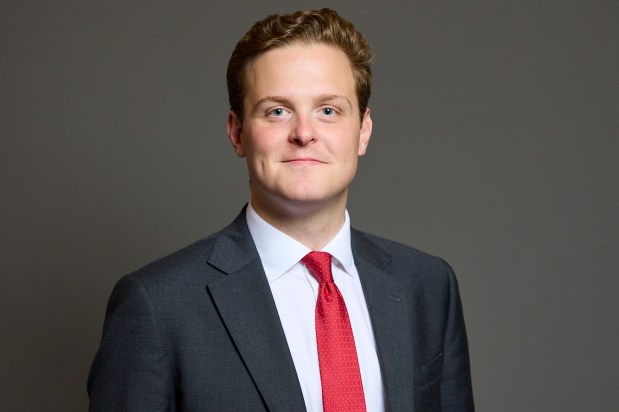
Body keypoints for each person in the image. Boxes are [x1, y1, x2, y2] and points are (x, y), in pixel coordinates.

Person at [88, 8, 474, 411]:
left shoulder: (428, 286)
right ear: (238, 133)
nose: (304, 134)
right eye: (277, 111)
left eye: (328, 110)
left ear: (363, 130)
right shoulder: (158, 304)